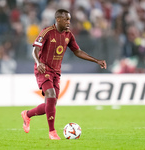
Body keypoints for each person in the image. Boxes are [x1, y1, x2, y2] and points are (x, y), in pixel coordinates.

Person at [21, 9, 107, 140]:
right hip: (43, 69)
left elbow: (77, 52)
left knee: (51, 104)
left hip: (56, 71)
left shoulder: (69, 35)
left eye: (69, 20)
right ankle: (52, 132)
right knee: (51, 95)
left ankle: (27, 114)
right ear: (58, 19)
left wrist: (96, 60)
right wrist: (38, 63)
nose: (69, 22)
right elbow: (35, 49)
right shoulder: (47, 32)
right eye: (66, 19)